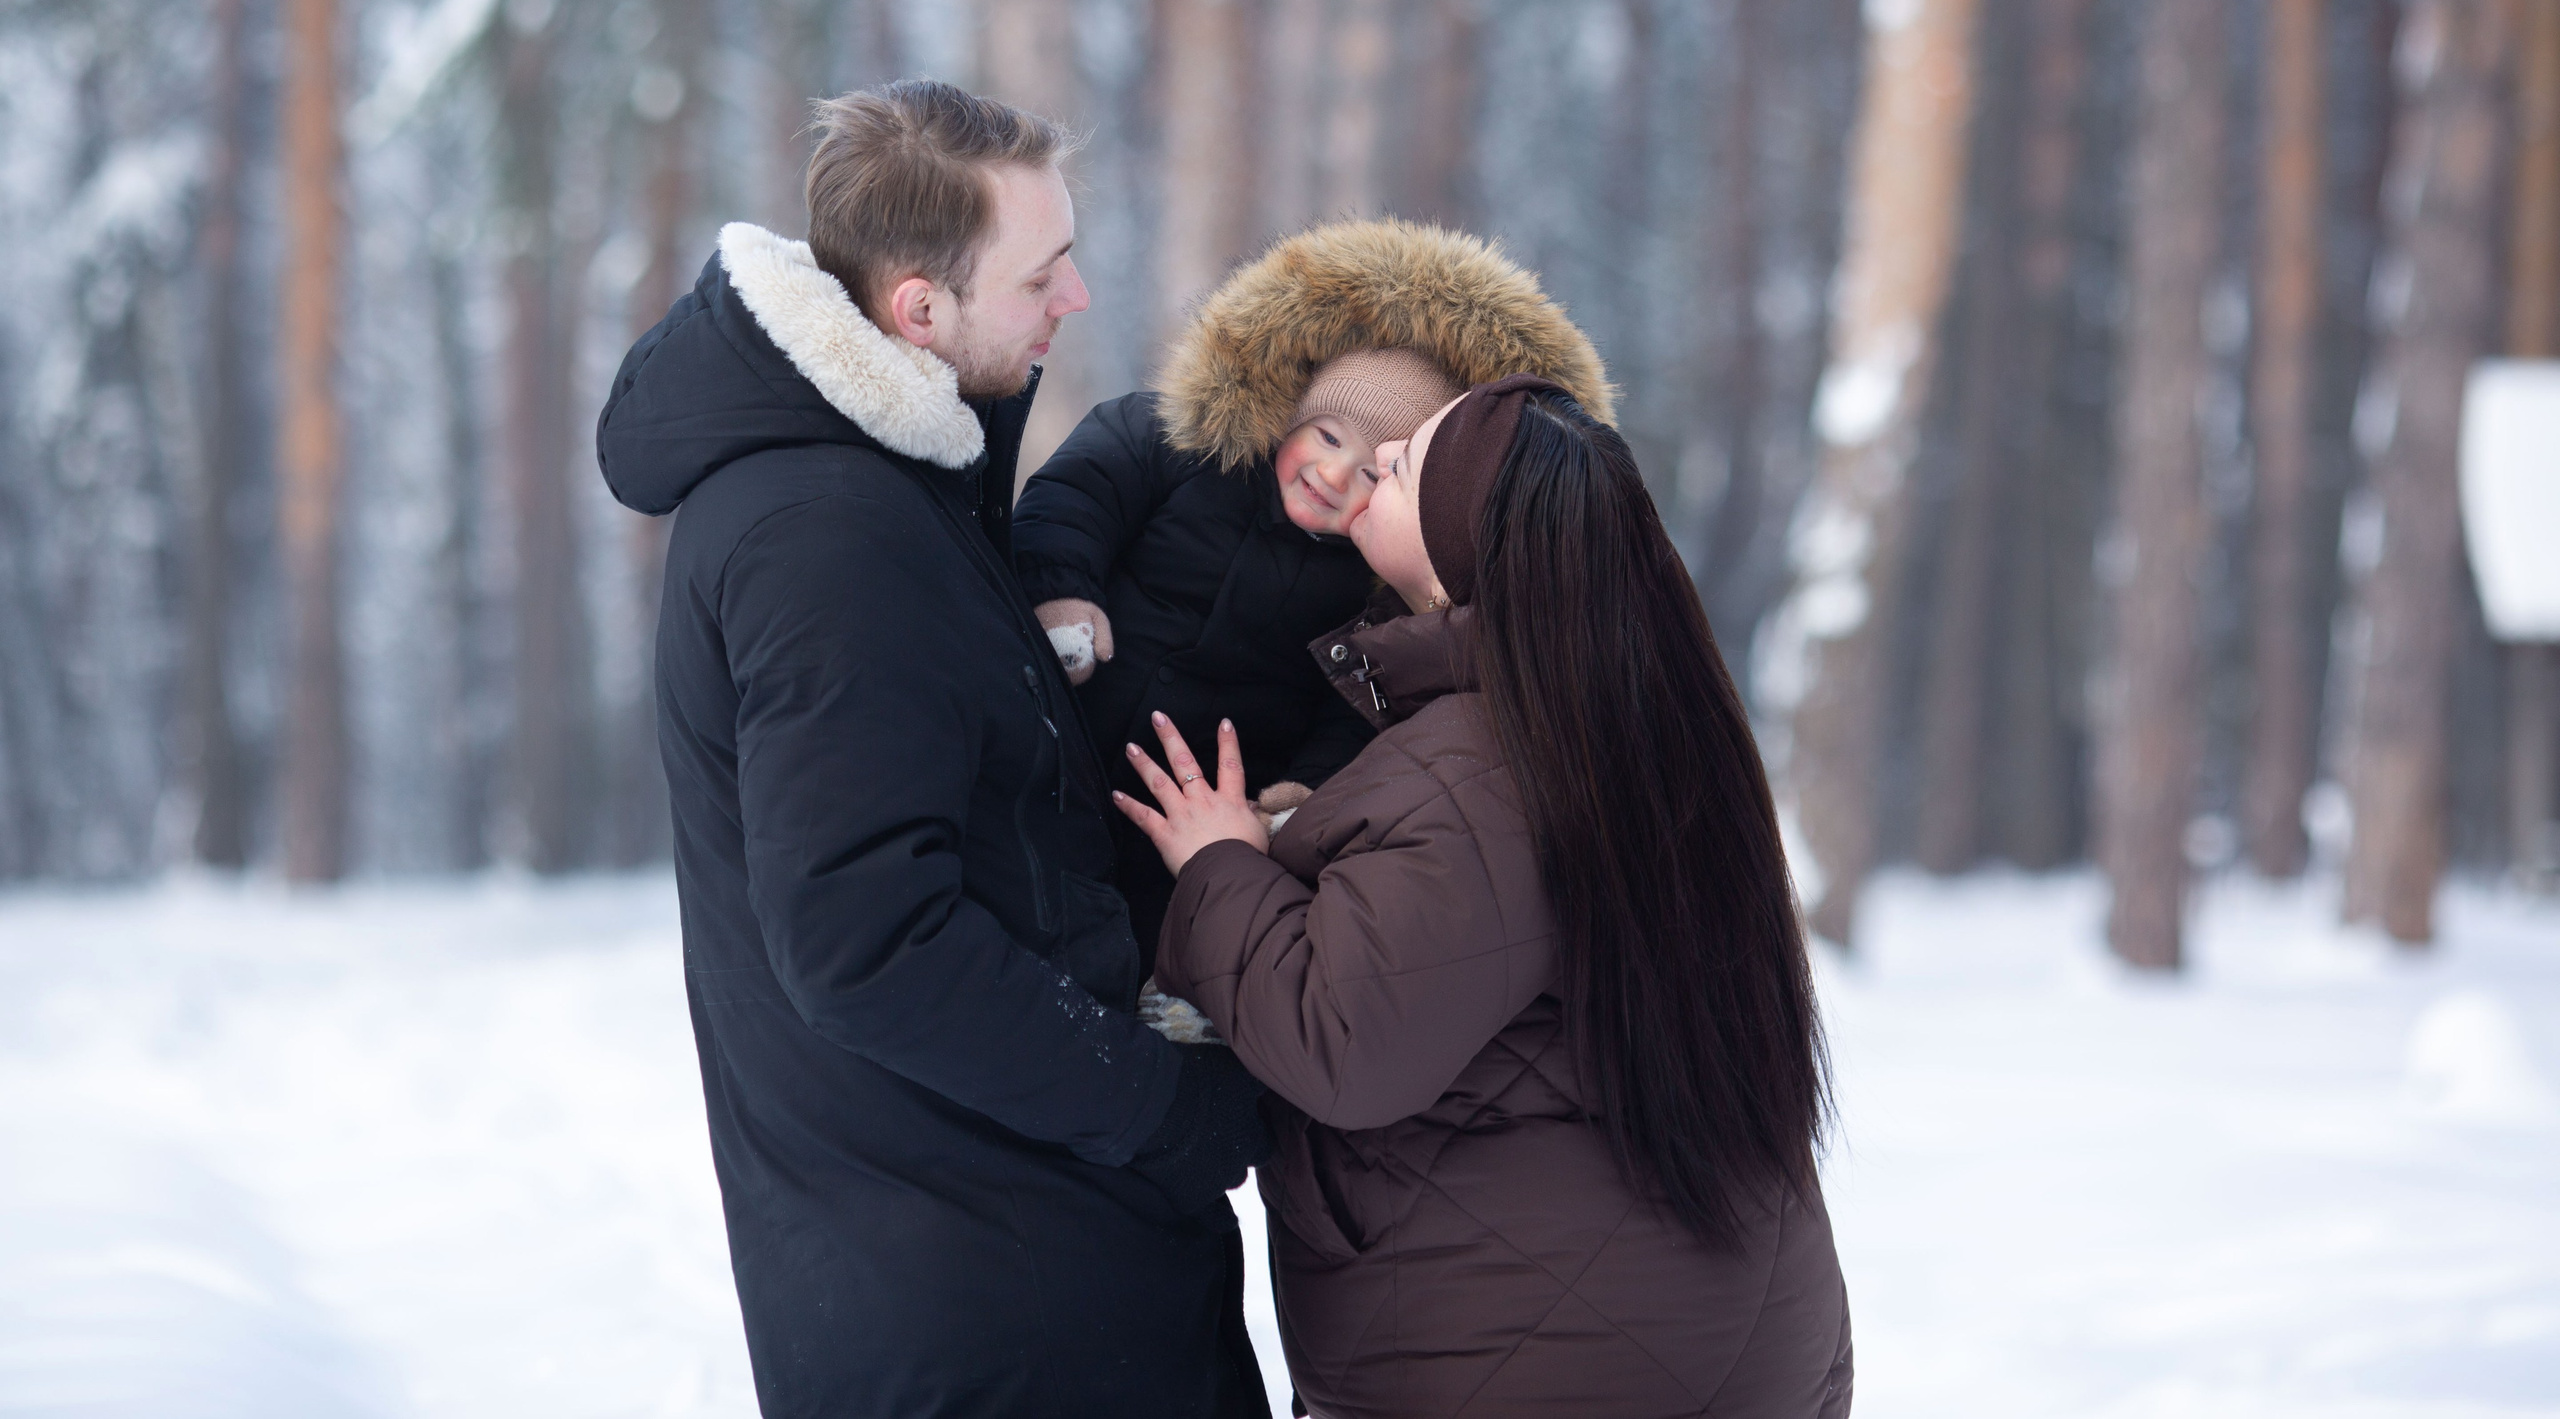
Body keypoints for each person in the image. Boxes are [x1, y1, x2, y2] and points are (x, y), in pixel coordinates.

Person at [595, 80, 1272, 1419]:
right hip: (985, 1312)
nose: (1073, 297)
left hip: (1021, 1265)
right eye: (1042, 272)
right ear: (917, 310)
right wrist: (1166, 1108)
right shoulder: (825, 533)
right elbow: (866, 940)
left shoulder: (887, 486)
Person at [1117, 377, 1855, 1419]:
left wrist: (1220, 866)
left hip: (1544, 1359)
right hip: (1713, 1326)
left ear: (1465, 542)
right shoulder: (1629, 720)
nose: (1368, 469)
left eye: (1402, 465)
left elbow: (1344, 1040)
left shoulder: (1479, 767)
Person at [1012, 218, 1613, 965]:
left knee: (1148, 911)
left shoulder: (1373, 590)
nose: (1332, 475)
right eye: (1327, 438)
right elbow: (1076, 495)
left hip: (1203, 794)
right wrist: (1062, 590)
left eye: (1370, 473)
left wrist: (1306, 789)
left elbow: (1356, 705)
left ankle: (1175, 986)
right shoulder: (1181, 449)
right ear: (1293, 413)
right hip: (1069, 721)